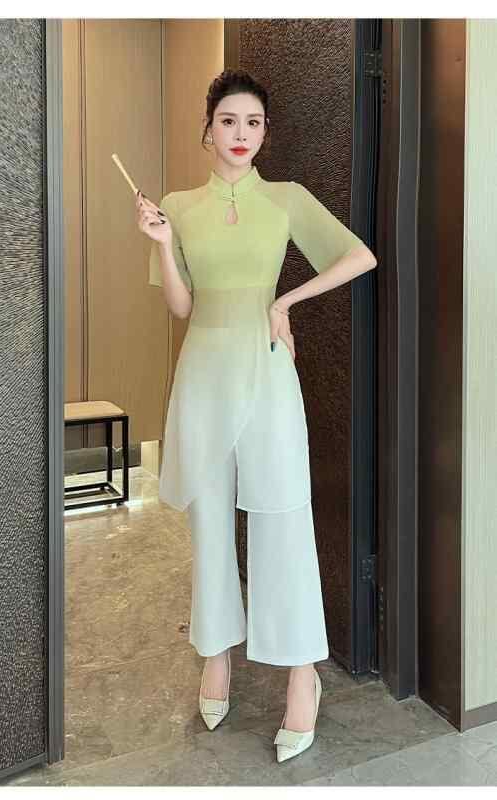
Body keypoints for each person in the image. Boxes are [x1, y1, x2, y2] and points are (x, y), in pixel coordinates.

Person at [136, 69, 377, 763]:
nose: (241, 134)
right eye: (229, 121)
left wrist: (285, 302)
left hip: (268, 372)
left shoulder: (285, 198)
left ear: (265, 132)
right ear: (207, 130)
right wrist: (161, 243)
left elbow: (358, 256)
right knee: (209, 521)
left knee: (283, 517)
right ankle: (216, 656)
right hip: (202, 374)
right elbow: (181, 307)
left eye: (254, 122)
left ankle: (303, 673)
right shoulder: (178, 206)